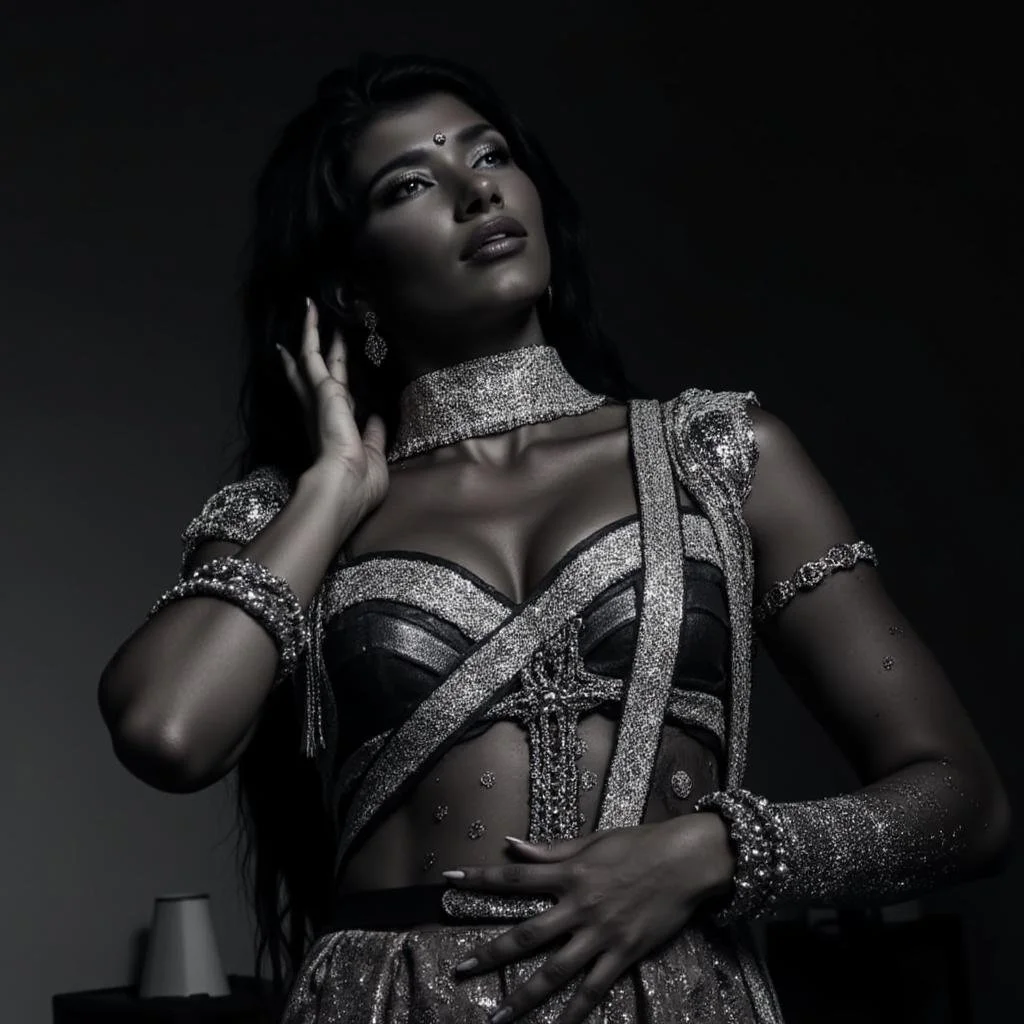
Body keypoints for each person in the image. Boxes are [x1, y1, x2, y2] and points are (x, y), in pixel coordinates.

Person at [97, 51, 1012, 1024]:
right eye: (409, 183)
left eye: (490, 155)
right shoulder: (288, 512)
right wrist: (331, 489)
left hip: (678, 1001)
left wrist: (707, 850)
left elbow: (964, 802)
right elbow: (169, 730)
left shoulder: (719, 455)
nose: (473, 188)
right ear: (351, 283)